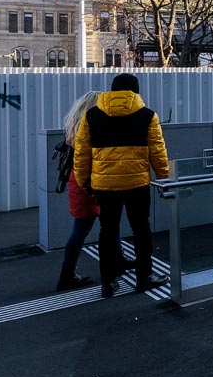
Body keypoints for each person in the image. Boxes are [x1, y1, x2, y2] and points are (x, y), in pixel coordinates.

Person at [73, 73, 170, 298]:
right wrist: (164, 177)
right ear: (135, 91)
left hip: (104, 185)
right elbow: (158, 150)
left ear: (112, 90)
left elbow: (82, 152)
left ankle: (108, 282)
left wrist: (84, 180)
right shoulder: (148, 115)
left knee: (107, 231)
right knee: (141, 230)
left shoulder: (91, 116)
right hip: (137, 184)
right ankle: (144, 278)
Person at [55, 91, 136, 292]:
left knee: (94, 226)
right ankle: (102, 273)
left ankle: (71, 273)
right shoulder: (94, 126)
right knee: (99, 227)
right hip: (93, 179)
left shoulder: (74, 127)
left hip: (79, 179)